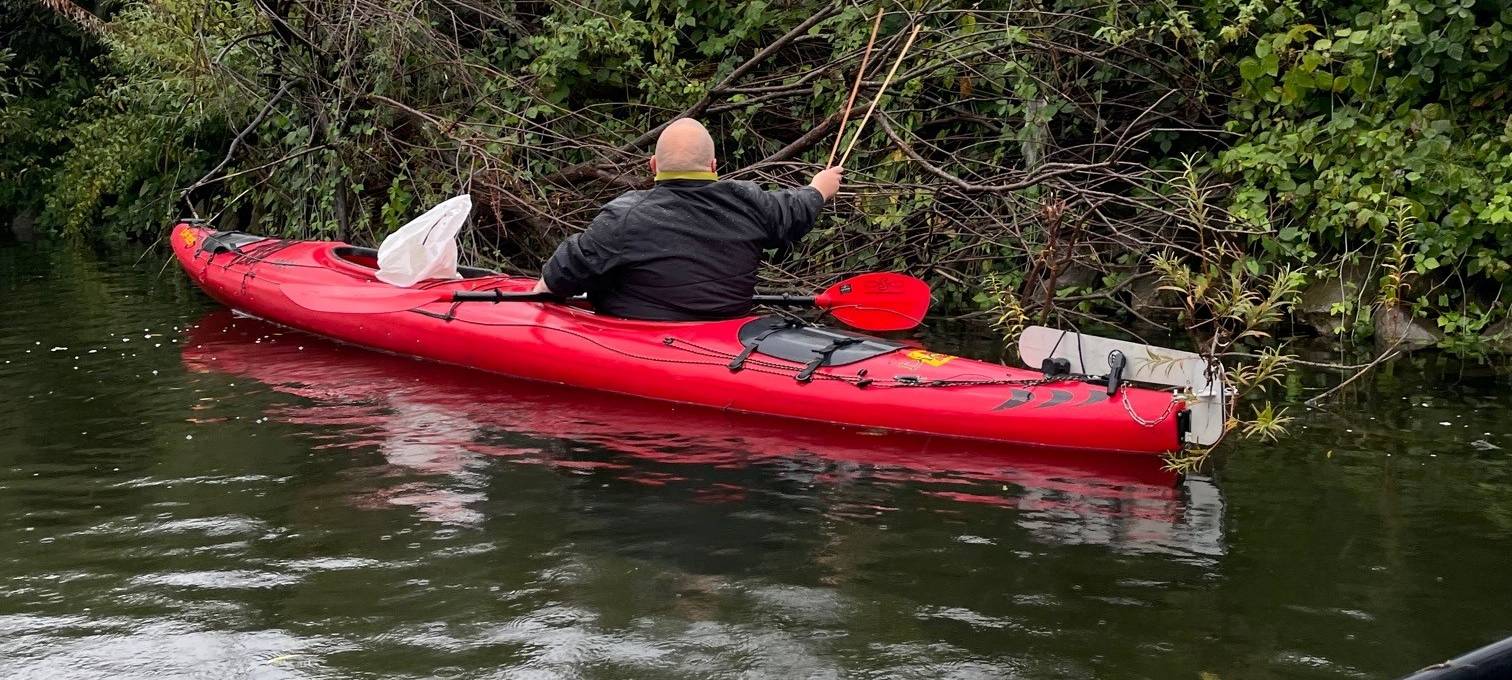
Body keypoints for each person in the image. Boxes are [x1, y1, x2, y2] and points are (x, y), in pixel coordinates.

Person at [533, 118, 843, 320]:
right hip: (721, 335)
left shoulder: (624, 215)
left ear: (653, 165)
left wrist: (537, 299)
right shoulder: (749, 201)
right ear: (713, 165)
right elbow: (795, 210)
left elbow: (559, 278)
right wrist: (819, 188)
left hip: (647, 338)